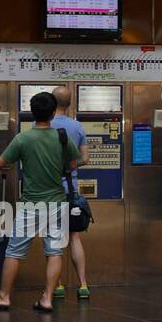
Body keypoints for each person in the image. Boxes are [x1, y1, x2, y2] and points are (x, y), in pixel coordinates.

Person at [0, 90, 78, 312]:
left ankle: (4, 296)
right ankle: (46, 299)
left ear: (31, 113)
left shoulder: (23, 139)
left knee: (14, 252)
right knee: (54, 252)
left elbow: (0, 161)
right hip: (57, 202)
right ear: (53, 113)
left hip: (31, 204)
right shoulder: (61, 137)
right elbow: (73, 165)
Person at [49, 85, 91, 299]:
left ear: (51, 102)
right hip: (71, 190)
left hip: (50, 192)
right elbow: (84, 159)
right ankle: (83, 285)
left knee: (54, 239)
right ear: (70, 103)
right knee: (74, 236)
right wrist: (70, 166)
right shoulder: (78, 127)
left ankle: (57, 285)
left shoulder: (44, 126)